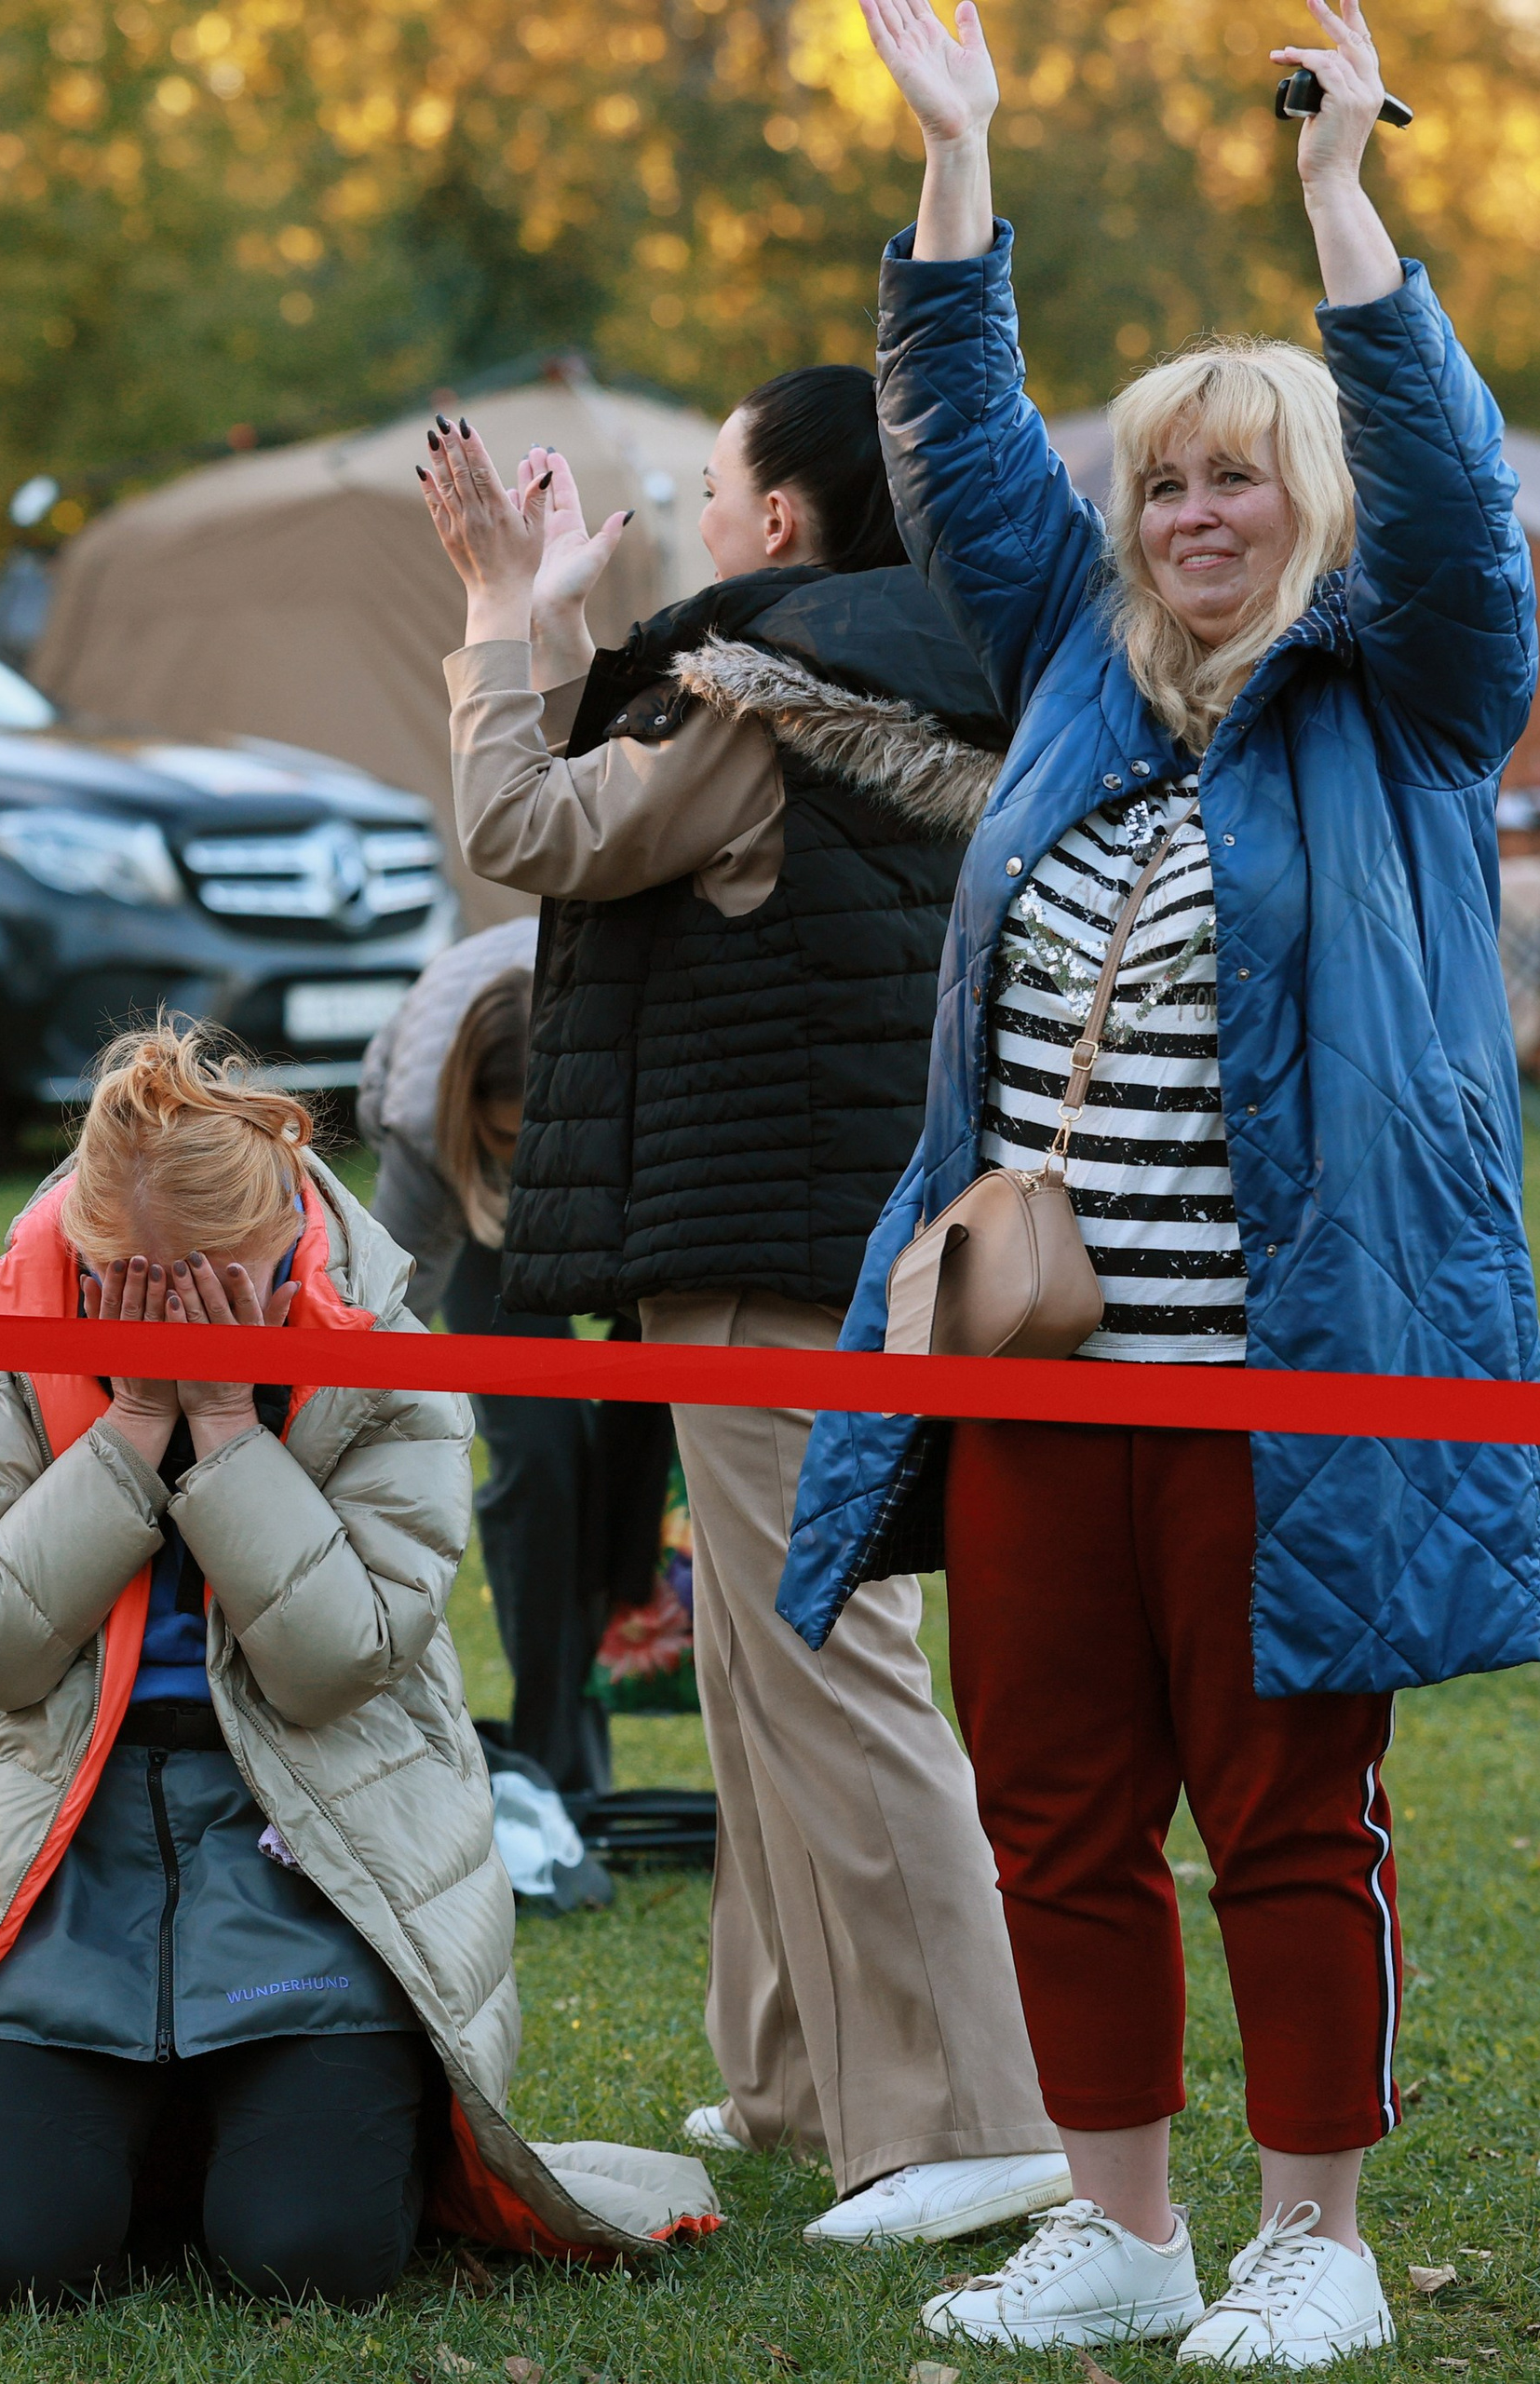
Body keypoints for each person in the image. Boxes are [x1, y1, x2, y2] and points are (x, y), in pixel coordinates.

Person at [780, 0, 1538, 2362]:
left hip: (1280, 1390)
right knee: (1053, 1801)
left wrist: (1336, 214)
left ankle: (1311, 2236)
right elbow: (953, 449)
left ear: (1302, 506)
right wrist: (956, 154)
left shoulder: (1409, 685)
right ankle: (1116, 2216)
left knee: (1290, 1819)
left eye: (1234, 482)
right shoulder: (1076, 674)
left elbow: (1448, 500)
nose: (1190, 517)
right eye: (1163, 486)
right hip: (1037, 1379)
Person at [0, 1023, 715, 2300]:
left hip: (306, 1830)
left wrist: (222, 1428)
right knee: (14, 2253)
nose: (173, 1312)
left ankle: (243, 2117)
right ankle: (144, 2119)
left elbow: (334, 1667)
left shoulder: (385, 1351)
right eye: (131, 1288)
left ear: (285, 1251)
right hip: (65, 1833)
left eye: (218, 1285)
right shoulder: (14, 1333)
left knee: (309, 2256)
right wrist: (132, 1426)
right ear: (88, 1264)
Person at [420, 370, 1069, 2241]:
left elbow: (530, 832)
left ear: (779, 521)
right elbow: (608, 823)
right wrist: (550, 610)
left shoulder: (763, 695)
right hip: (813, 1232)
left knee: (827, 1673)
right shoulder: (876, 670)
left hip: (773, 1249)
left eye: (710, 486)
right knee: (751, 1667)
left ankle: (972, 2114)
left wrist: (485, 608)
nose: (696, 518)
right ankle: (794, 2069)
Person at [359, 918, 669, 1802]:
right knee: (540, 1461)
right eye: (510, 1143)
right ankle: (551, 1762)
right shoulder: (427, 1129)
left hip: (623, 1163)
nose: (527, 1166)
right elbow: (392, 1315)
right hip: (465, 1182)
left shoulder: (634, 1067)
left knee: (631, 1462)